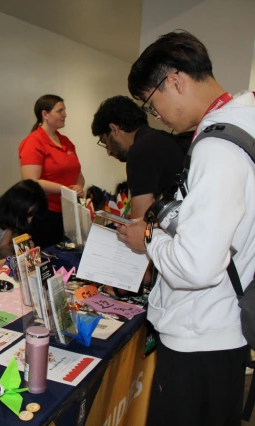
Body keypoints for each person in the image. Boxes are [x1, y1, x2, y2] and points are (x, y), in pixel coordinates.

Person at [118, 30, 255, 426]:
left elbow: (196, 266)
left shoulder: (217, 146)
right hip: (226, 323)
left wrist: (148, 239)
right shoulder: (245, 119)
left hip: (200, 334)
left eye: (151, 103)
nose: (156, 116)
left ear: (174, 81)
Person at [91, 95, 188, 218]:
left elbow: (140, 226)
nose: (109, 152)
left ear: (114, 129)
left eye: (105, 142)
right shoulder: (163, 138)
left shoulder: (139, 152)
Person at [19, 94, 85, 249]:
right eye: (60, 111)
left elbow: (79, 174)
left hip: (69, 212)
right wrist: (66, 190)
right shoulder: (33, 142)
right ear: (45, 114)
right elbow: (31, 182)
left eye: (64, 110)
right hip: (45, 214)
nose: (65, 115)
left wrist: (79, 187)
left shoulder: (66, 142)